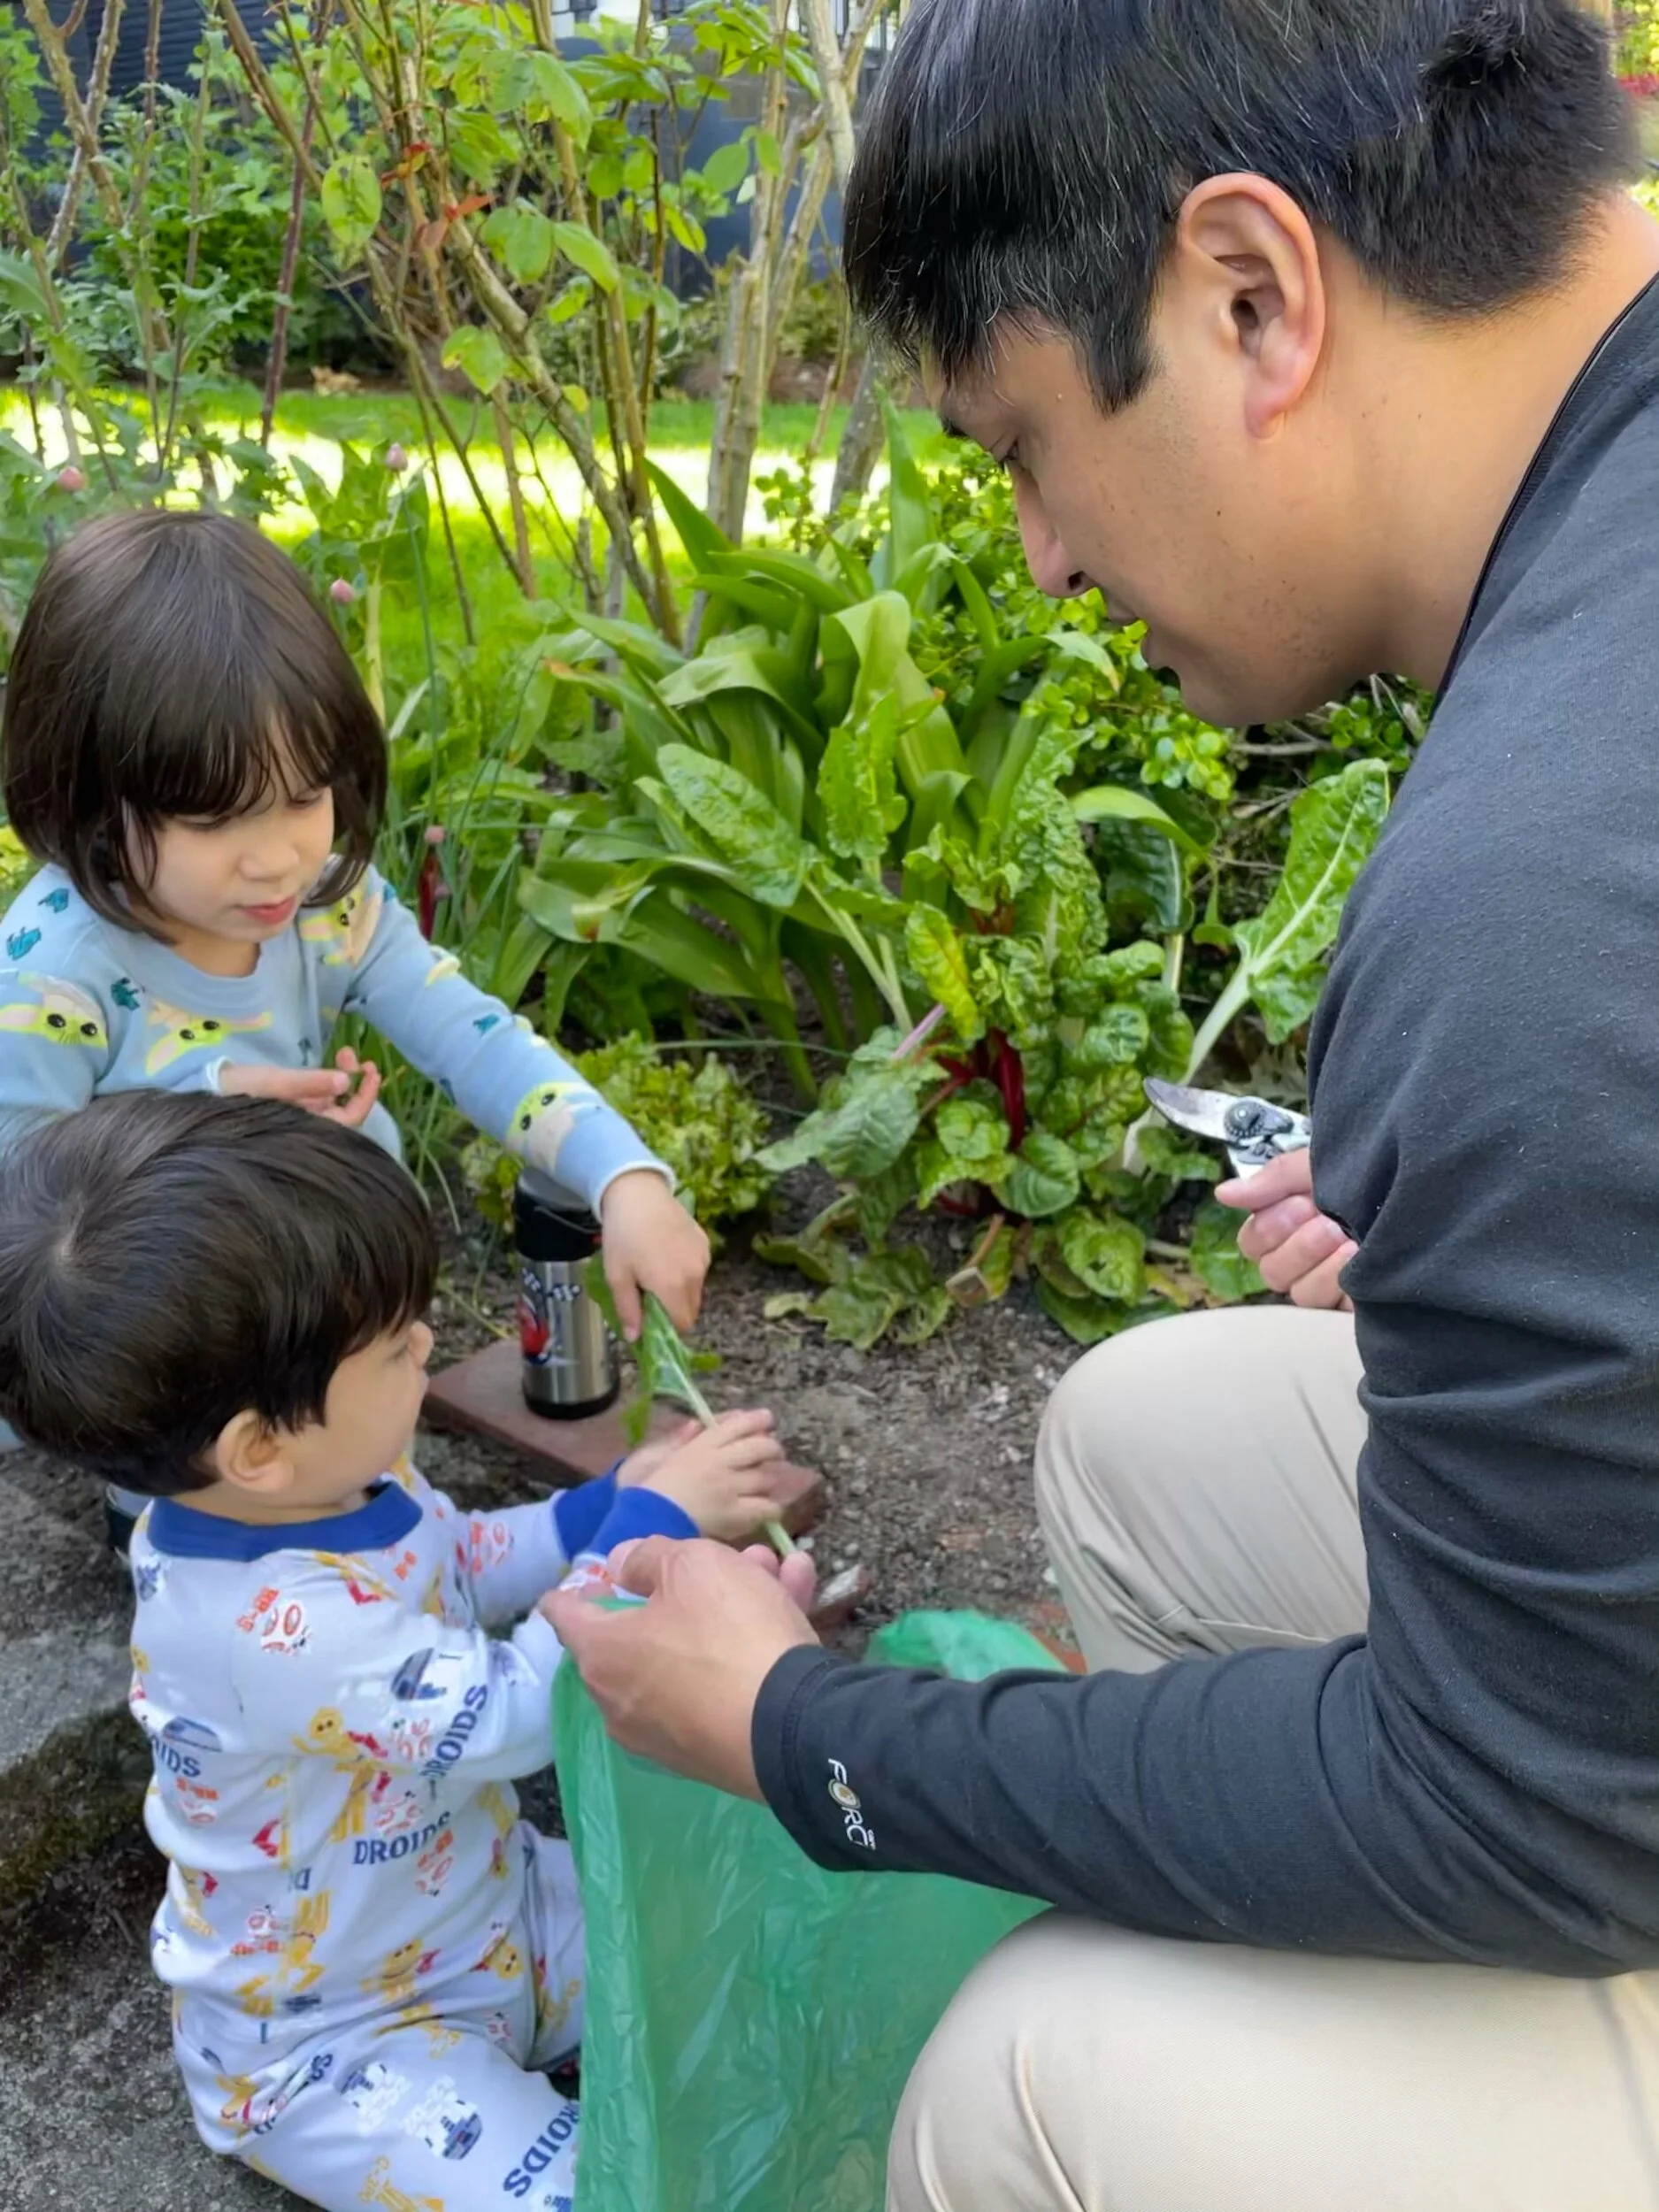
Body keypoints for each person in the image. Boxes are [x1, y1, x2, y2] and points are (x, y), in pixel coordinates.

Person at [545, 3, 1659, 2207]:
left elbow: (1530, 1799)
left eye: (1017, 445)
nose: (1041, 552)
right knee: (1132, 1440)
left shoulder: (1538, 875)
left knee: (1035, 2071)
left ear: (1247, 296)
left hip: (1582, 1792)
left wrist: (806, 1738)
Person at [0, 1089, 805, 2212]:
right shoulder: (267, 1627)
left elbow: (455, 1563)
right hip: (343, 2044)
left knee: (752, 1930)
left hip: (495, 1911)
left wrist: (595, 1515)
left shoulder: (328, 1486)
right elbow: (513, 1715)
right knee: (599, 2193)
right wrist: (650, 1532)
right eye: (393, 1344)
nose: (430, 1339)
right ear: (258, 1446)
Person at [0, 509, 709, 1546]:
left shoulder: (325, 908)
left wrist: (622, 1174)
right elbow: (23, 1239)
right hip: (181, 1412)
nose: (276, 857)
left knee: (353, 1162)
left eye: (302, 796)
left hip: (313, 1352)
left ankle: (373, 1494)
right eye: (213, 818)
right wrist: (190, 1129)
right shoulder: (56, 980)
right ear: (87, 794)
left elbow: (472, 1035)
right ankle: (203, 1534)